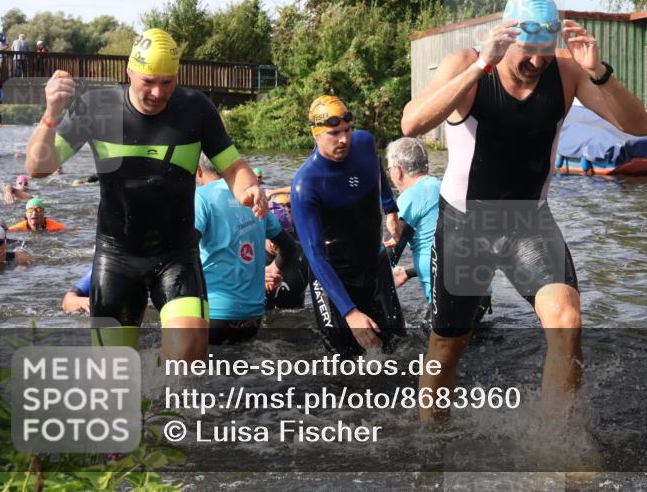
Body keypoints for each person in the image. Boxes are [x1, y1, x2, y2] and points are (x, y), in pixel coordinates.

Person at [401, 0, 647, 420]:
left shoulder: (569, 74)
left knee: (566, 320)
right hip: (465, 226)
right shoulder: (468, 63)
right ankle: (430, 441)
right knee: (449, 343)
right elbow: (412, 123)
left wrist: (601, 72)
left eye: (545, 52)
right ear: (507, 38)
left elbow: (638, 127)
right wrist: (481, 65)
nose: (536, 63)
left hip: (528, 223)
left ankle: (558, 443)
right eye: (527, 53)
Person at [24, 27, 267, 360]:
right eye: (148, 81)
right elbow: (38, 167)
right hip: (117, 256)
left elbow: (232, 167)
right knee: (112, 375)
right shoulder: (96, 107)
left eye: (167, 82)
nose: (157, 92)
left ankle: (170, 403)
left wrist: (249, 186)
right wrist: (51, 113)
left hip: (176, 254)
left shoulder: (195, 109)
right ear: (129, 73)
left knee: (189, 356)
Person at [291, 95, 405, 355]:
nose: (344, 139)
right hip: (333, 278)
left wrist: (390, 208)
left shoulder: (364, 142)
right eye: (334, 133)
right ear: (316, 134)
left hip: (373, 266)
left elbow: (376, 167)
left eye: (347, 130)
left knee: (398, 348)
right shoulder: (305, 185)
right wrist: (350, 313)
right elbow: (315, 256)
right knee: (345, 362)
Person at [384, 136, 492, 328]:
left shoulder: (409, 198)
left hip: (450, 294)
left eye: (389, 168)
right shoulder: (445, 188)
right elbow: (448, 250)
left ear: (398, 171)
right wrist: (408, 272)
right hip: (481, 291)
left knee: (432, 349)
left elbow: (389, 256)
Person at [195, 154, 299, 344]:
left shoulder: (201, 197)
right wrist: (273, 268)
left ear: (198, 172)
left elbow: (186, 250)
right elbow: (289, 247)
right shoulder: (252, 197)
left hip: (214, 313)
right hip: (253, 315)